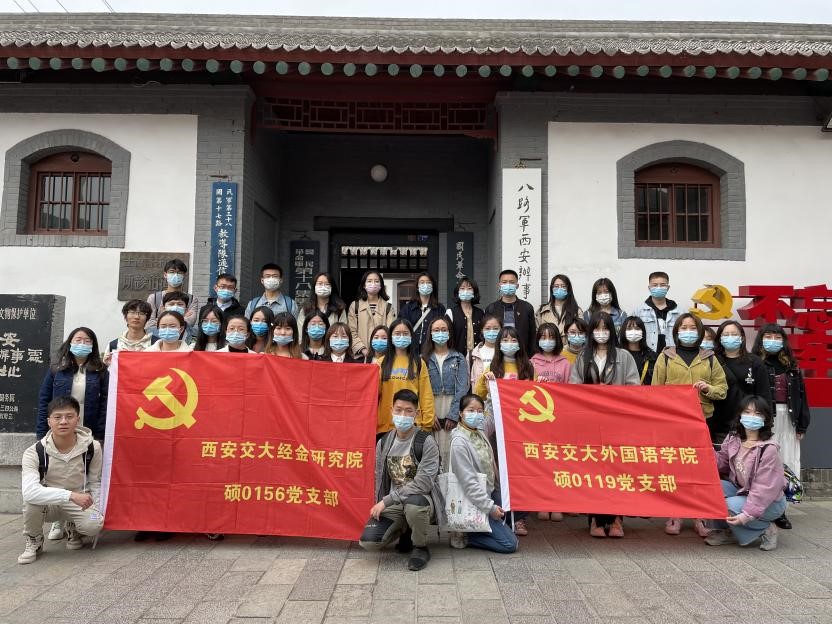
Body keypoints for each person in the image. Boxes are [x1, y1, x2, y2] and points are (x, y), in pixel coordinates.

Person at [652, 313, 728, 537]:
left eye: (692, 328)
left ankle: (699, 515)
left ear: (700, 331)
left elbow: (722, 389)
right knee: (674, 468)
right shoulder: (666, 357)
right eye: (683, 328)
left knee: (699, 469)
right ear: (676, 331)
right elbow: (654, 391)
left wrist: (708, 388)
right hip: (672, 423)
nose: (688, 331)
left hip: (701, 421)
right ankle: (674, 513)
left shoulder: (710, 358)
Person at [569, 311, 639, 538]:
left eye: (605, 328)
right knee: (594, 471)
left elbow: (634, 388)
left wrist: (611, 395)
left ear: (612, 331)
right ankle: (595, 520)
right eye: (597, 329)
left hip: (617, 422)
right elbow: (573, 388)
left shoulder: (624, 356)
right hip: (590, 423)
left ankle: (617, 519)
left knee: (618, 471)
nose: (601, 333)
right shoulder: (583, 356)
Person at [359, 389, 440, 571]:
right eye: (399, 410)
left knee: (414, 505)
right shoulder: (384, 442)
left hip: (422, 500)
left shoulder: (426, 441)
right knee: (369, 541)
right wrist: (379, 503)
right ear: (391, 410)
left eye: (409, 411)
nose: (403, 415)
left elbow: (424, 483)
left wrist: (387, 501)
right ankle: (406, 529)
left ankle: (420, 547)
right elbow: (379, 477)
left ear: (416, 413)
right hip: (395, 503)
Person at [18, 396, 104, 564]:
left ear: (77, 419)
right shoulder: (34, 452)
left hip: (80, 503)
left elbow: (95, 482)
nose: (63, 421)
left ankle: (74, 527)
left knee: (95, 523)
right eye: (57, 417)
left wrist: (98, 510)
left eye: (69, 416)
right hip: (50, 504)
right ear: (49, 421)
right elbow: (29, 492)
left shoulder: (92, 447)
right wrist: (70, 495)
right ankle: (34, 539)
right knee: (30, 502)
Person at [474, 326, 535, 536]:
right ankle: (502, 513)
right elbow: (479, 393)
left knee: (520, 470)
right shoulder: (493, 366)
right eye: (505, 340)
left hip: (520, 423)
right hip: (496, 420)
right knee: (498, 469)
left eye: (513, 340)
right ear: (499, 344)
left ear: (520, 343)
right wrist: (485, 379)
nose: (509, 343)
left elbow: (535, 393)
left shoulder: (528, 367)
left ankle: (520, 518)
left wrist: (541, 384)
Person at [706, 396, 787, 551]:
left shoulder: (768, 449)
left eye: (757, 413)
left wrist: (746, 516)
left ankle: (765, 528)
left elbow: (763, 489)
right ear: (740, 415)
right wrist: (704, 448)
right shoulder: (734, 438)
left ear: (765, 418)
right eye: (747, 412)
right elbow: (720, 463)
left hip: (770, 502)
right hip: (742, 491)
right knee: (709, 490)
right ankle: (726, 531)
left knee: (728, 505)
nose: (752, 417)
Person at [753, 323, 810, 531]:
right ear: (761, 340)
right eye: (768, 336)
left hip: (788, 420)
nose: (773, 341)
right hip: (764, 419)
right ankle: (761, 506)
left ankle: (781, 510)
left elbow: (802, 396)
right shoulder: (755, 363)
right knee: (765, 463)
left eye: (777, 337)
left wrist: (802, 425)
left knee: (786, 462)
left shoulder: (792, 366)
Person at [447, 394, 518, 553]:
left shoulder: (480, 430)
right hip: (474, 501)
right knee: (510, 544)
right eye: (471, 410)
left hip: (490, 492)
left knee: (521, 503)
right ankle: (466, 535)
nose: (476, 414)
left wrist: (491, 389)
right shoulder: (459, 442)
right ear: (461, 413)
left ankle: (485, 527)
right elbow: (469, 484)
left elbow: (491, 414)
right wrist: (490, 508)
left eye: (480, 411)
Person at [37, 328, 108, 442]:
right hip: (61, 426)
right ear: (70, 343)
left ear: (93, 345)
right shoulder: (57, 369)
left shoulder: (100, 370)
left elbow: (105, 402)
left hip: (89, 428)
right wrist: (41, 434)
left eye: (87, 341)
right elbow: (44, 400)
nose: (82, 344)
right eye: (78, 340)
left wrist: (100, 434)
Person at [530, 322, 571, 522]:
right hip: (538, 420)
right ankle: (542, 502)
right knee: (541, 462)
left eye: (551, 337)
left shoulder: (565, 363)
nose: (547, 341)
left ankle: (558, 503)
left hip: (560, 419)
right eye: (543, 337)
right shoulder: (532, 362)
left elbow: (571, 390)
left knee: (559, 462)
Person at [711, 321, 771, 446]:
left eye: (734, 334)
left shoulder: (754, 362)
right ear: (720, 338)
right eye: (726, 334)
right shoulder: (712, 360)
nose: (730, 337)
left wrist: (767, 425)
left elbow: (764, 395)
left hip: (747, 426)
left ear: (742, 337)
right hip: (718, 426)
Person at [423, 316, 469, 470]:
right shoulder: (424, 359)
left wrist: (453, 414)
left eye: (444, 330)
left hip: (452, 404)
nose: (440, 333)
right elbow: (422, 389)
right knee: (432, 449)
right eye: (436, 330)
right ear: (430, 333)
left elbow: (462, 388)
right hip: (431, 405)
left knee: (451, 449)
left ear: (449, 333)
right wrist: (429, 415)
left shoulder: (458, 358)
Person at [377, 319, 436, 437]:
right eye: (397, 333)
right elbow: (374, 396)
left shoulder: (419, 363)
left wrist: (427, 423)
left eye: (405, 334)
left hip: (412, 424)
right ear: (391, 337)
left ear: (411, 337)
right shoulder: (380, 363)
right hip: (385, 426)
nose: (401, 337)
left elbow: (426, 395)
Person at [484, 269, 536, 355]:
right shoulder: (491, 308)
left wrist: (531, 356)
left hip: (522, 355)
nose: (508, 285)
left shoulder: (526, 307)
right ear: (499, 285)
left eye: (512, 282)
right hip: (497, 355)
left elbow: (532, 335)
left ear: (517, 285)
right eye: (504, 282)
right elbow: (486, 333)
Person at [348, 270, 396, 359]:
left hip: (382, 356)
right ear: (364, 285)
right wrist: (362, 349)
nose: (373, 284)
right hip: (361, 356)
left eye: (376, 281)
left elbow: (390, 331)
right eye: (369, 281)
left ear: (381, 285)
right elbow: (351, 331)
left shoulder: (388, 307)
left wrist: (380, 349)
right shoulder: (355, 306)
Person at [146, 258, 199, 332]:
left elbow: (190, 323)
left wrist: (161, 317)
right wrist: (182, 318)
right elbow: (149, 324)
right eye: (172, 272)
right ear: (165, 275)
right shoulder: (154, 298)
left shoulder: (191, 299)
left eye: (179, 272)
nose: (175, 275)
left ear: (184, 275)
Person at [632, 271, 681, 352]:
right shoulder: (638, 312)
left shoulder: (679, 311)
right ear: (649, 288)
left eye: (663, 285)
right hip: (647, 354)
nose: (659, 288)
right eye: (655, 285)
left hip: (673, 355)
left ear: (668, 287)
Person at [400, 272, 446, 349]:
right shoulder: (407, 308)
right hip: (411, 349)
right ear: (417, 287)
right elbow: (402, 327)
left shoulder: (440, 308)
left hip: (432, 348)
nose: (425, 285)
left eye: (428, 282)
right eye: (422, 282)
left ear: (432, 286)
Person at [103, 299, 157, 365]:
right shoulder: (114, 345)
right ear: (125, 316)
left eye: (141, 313)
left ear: (147, 318)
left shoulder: (156, 344)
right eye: (132, 312)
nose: (137, 317)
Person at [445, 276, 484, 358]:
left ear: (474, 292)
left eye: (469, 288)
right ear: (458, 292)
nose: (466, 291)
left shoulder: (481, 313)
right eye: (462, 288)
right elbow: (447, 338)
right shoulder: (450, 313)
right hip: (457, 357)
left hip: (478, 357)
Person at [537, 274, 584, 339]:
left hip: (569, 345)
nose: (560, 289)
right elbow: (537, 333)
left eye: (563, 286)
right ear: (552, 289)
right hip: (550, 344)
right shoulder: (542, 311)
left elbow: (581, 332)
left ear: (568, 289)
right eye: (556, 286)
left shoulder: (577, 311)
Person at [619, 316, 658, 385]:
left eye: (637, 328)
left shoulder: (653, 357)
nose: (633, 331)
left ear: (643, 332)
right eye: (629, 328)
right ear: (623, 332)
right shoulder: (617, 355)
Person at [469, 315, 501, 392]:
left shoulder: (506, 352)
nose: (491, 331)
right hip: (479, 398)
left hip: (501, 397)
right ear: (482, 331)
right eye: (487, 328)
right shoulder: (473, 354)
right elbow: (467, 382)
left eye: (496, 328)